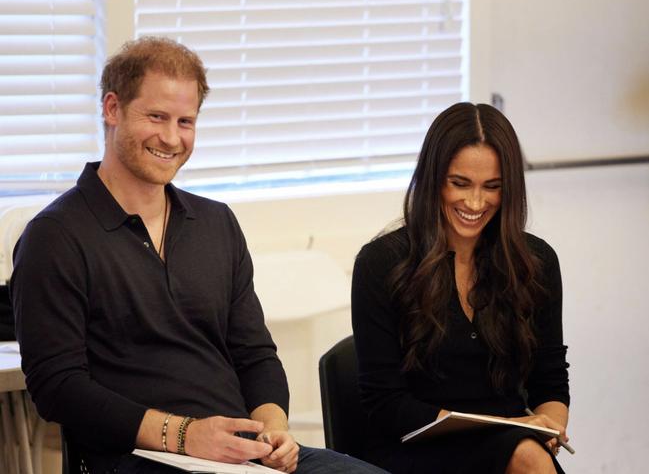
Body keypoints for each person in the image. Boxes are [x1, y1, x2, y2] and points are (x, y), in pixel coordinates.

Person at [11, 37, 387, 474]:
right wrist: (186, 435)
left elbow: (255, 354)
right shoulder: (54, 236)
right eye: (156, 116)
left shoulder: (215, 222)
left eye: (185, 121)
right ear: (112, 109)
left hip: (239, 455)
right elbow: (57, 387)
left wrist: (272, 427)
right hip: (134, 458)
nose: (171, 138)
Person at [351, 102, 570, 474]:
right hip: (414, 446)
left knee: (531, 455)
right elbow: (386, 405)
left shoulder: (537, 261)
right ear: (433, 179)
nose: (474, 202)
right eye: (460, 183)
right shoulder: (380, 263)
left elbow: (549, 380)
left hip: (512, 442)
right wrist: (508, 430)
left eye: (492, 187)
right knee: (527, 457)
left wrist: (549, 424)